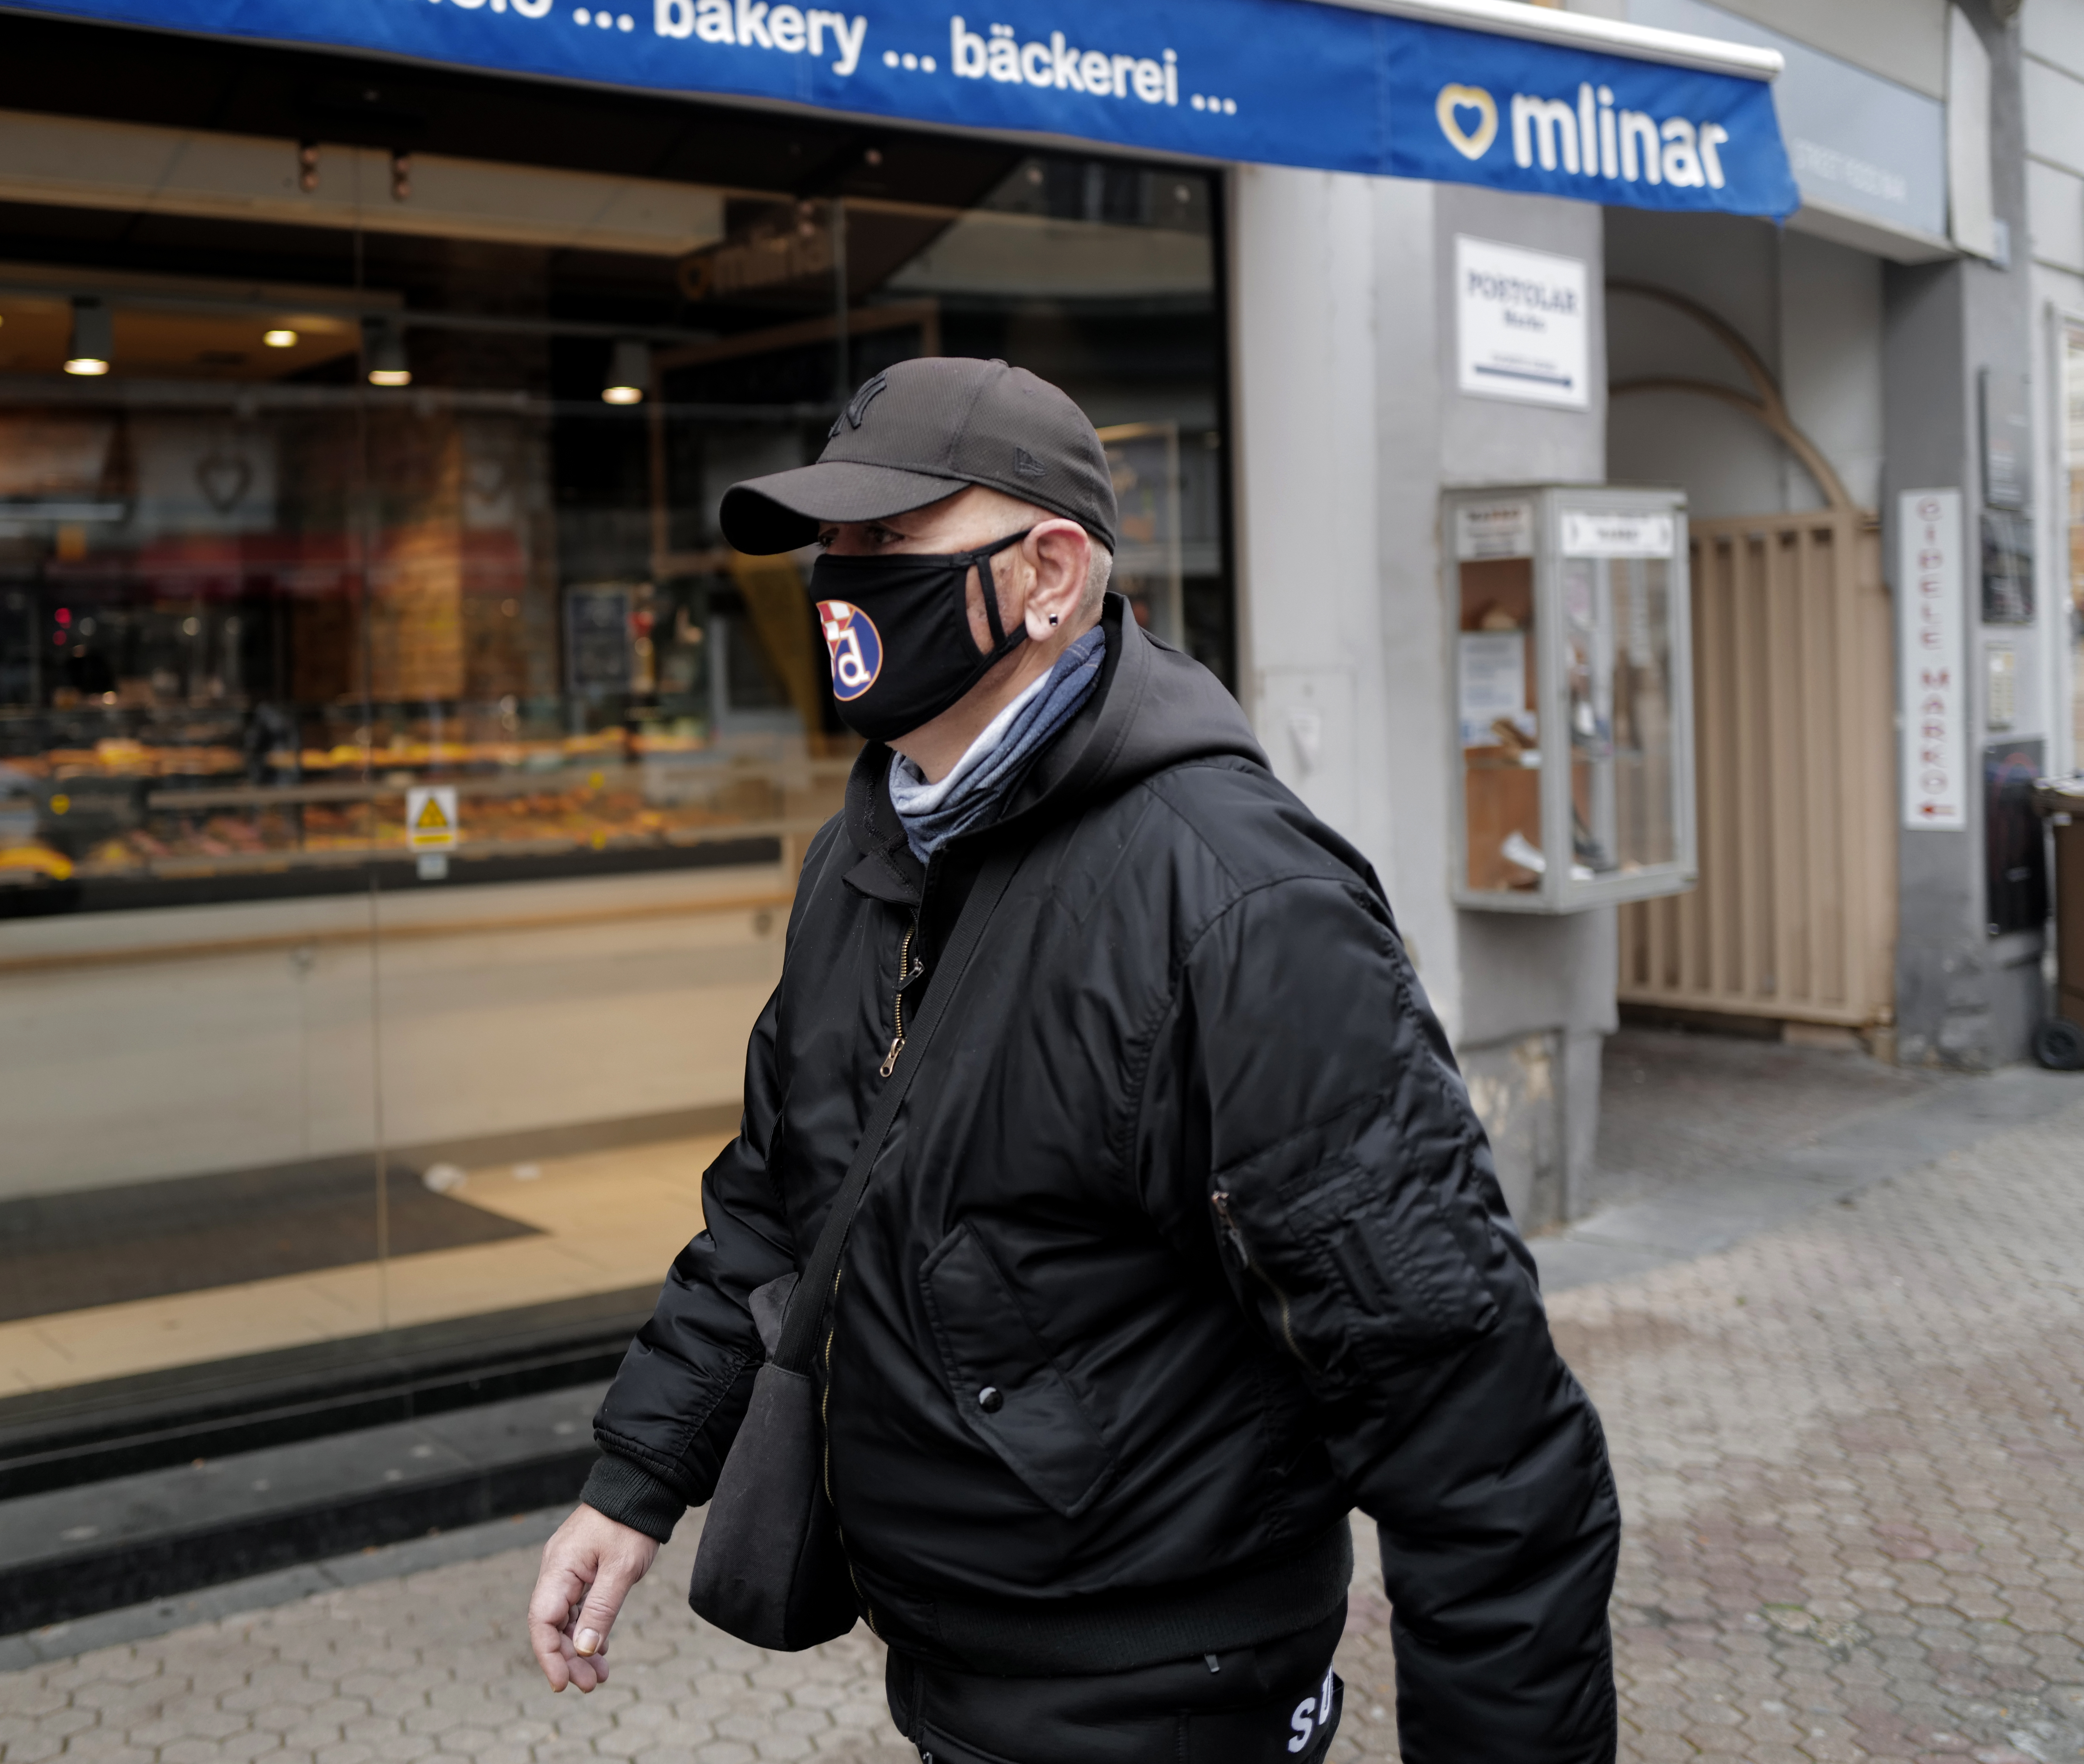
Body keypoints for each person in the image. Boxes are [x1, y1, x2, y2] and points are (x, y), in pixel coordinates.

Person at [527, 358, 1620, 1762]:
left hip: (1171, 1690)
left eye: (889, 540)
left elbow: (1472, 1427)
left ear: (1049, 574)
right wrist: (633, 1481)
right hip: (946, 1665)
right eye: (831, 545)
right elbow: (769, 1203)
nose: (840, 582)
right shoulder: (869, 857)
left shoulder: (1233, 899)